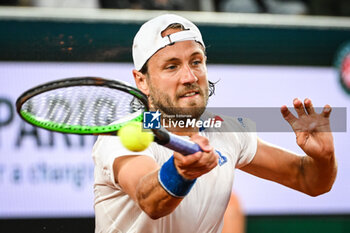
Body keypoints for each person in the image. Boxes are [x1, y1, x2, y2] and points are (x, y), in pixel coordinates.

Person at [92, 14, 337, 233]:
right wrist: (181, 173)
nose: (189, 77)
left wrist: (324, 158)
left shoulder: (227, 130)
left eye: (196, 62)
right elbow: (150, 200)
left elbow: (309, 180)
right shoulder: (123, 134)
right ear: (142, 81)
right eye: (172, 67)